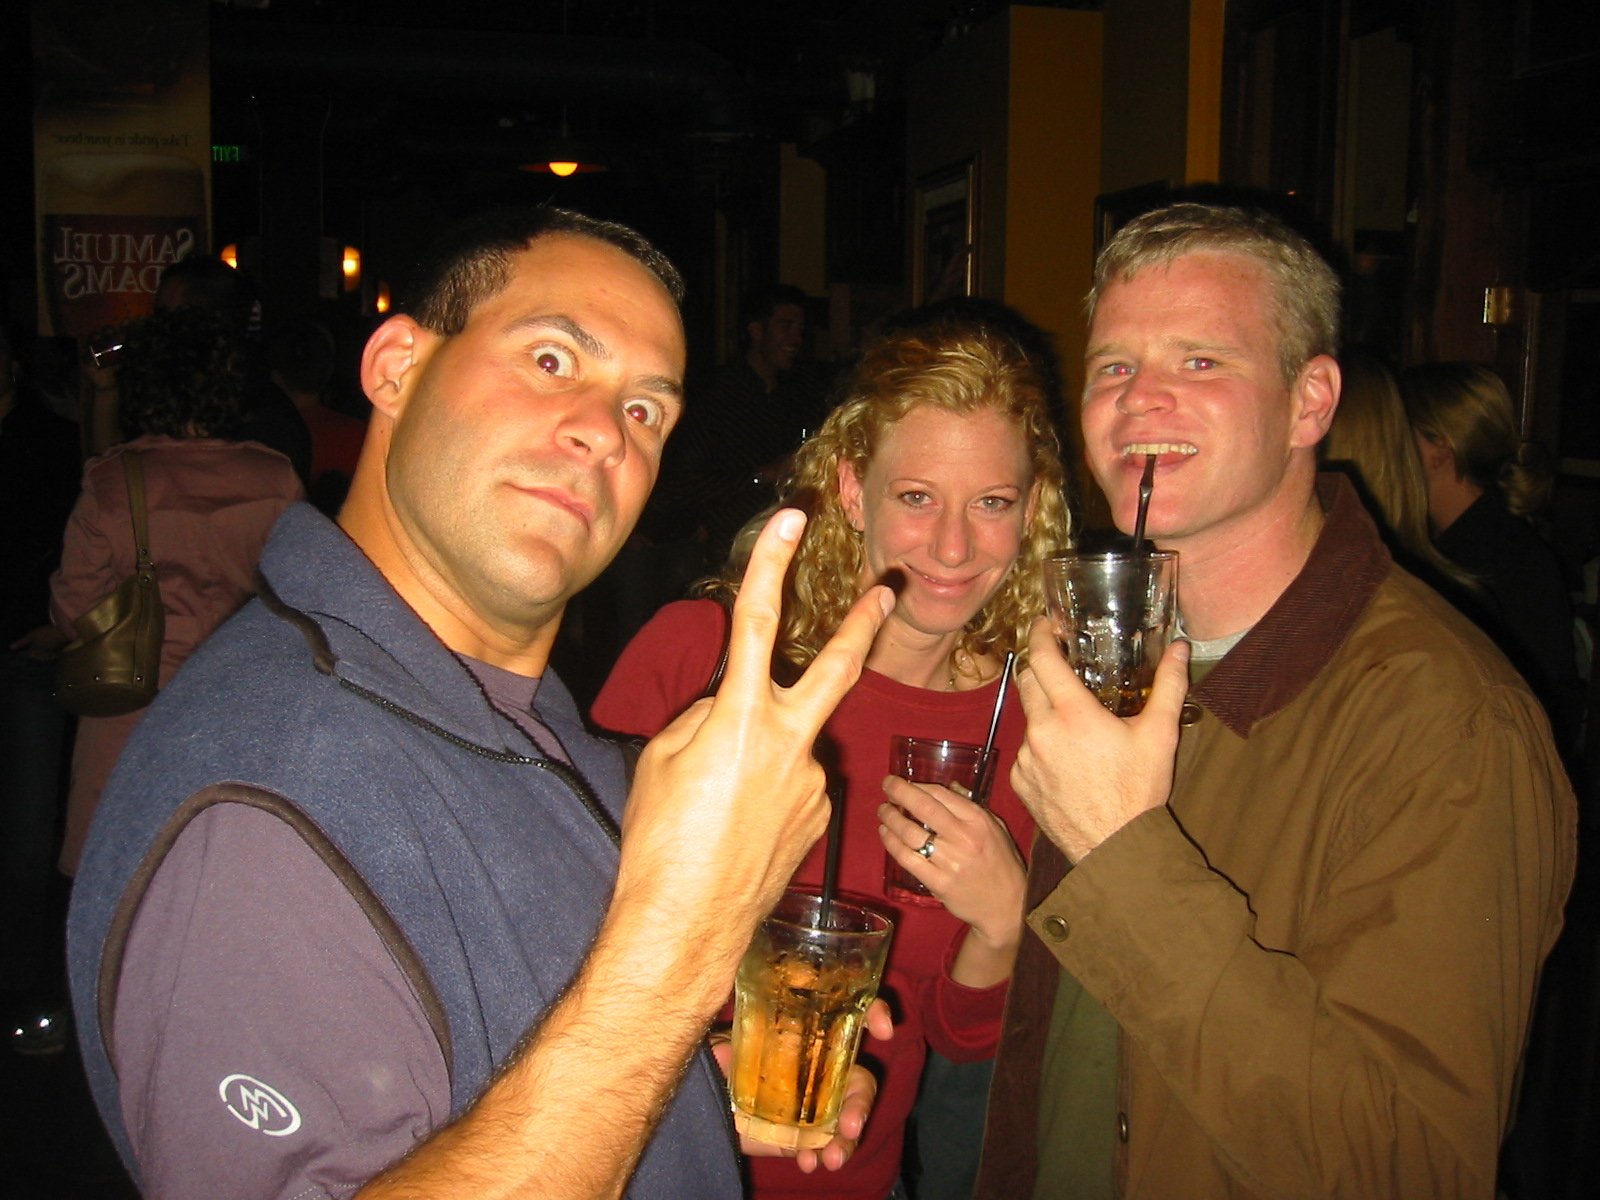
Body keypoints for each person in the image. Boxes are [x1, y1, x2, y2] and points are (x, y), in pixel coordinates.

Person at [67, 206, 894, 1200]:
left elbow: (485, 1086)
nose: (602, 432)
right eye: (551, 360)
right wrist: (682, 946)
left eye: (646, 412)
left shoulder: (508, 721)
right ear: (396, 368)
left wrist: (681, 1103)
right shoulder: (262, 807)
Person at [974, 202, 1576, 1198]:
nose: (1139, 400)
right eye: (1114, 366)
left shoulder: (1450, 725)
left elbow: (1411, 1168)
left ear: (1310, 402)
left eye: (1200, 361)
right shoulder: (1107, 663)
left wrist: (1123, 856)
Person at [592, 311, 1072, 1200]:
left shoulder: (1031, 721)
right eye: (916, 497)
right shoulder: (702, 659)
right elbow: (543, 934)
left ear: (1032, 507)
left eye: (993, 503)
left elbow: (960, 1037)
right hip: (646, 1169)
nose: (954, 547)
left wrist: (1006, 921)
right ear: (853, 490)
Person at [46, 306, 304, 875]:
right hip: (239, 711)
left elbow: (73, 609)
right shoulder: (274, 478)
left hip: (131, 714)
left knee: (121, 887)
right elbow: (300, 598)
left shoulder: (115, 481)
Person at [1403, 361, 1583, 745]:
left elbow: (1546, 705)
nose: (1389, 449)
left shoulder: (1510, 559)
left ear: (1439, 450)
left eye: (1400, 434)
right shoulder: (1436, 544)